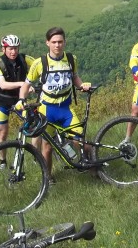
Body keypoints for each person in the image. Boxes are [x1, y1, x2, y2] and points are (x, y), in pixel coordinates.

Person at [16, 27, 92, 184]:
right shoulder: (39, 63)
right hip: (47, 110)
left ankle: (95, 169)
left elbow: (75, 77)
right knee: (47, 147)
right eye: (54, 42)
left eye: (60, 42)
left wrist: (81, 85)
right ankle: (48, 177)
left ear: (64, 42)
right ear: (47, 43)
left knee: (81, 141)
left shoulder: (71, 59)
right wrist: (21, 100)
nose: (57, 45)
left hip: (66, 108)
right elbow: (26, 85)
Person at [0, 34, 34, 168]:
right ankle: (3, 162)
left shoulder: (24, 59)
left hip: (19, 100)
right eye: (10, 48)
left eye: (15, 48)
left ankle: (36, 158)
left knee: (34, 127)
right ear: (3, 49)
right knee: (2, 133)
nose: (13, 51)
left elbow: (41, 65)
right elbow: (3, 85)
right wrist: (24, 84)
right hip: (2, 102)